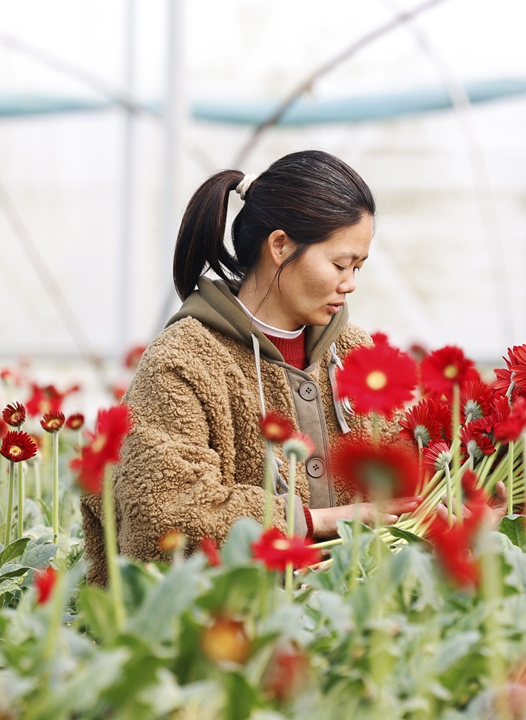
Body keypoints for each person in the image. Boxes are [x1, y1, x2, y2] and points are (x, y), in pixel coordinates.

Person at [81, 150, 422, 584]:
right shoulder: (183, 360)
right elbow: (159, 517)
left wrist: (454, 500)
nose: (350, 283)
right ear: (279, 246)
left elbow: (395, 484)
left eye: (358, 266)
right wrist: (313, 520)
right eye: (339, 264)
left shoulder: (355, 352)